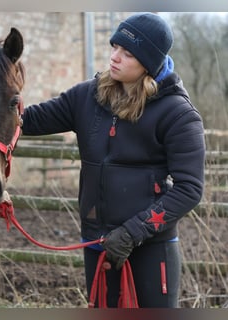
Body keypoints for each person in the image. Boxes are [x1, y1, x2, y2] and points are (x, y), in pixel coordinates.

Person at [20, 12, 205, 308]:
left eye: (128, 52)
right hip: (98, 242)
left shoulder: (179, 115)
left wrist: (133, 233)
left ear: (149, 63)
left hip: (150, 247)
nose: (115, 57)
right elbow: (26, 121)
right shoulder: (87, 97)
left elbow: (190, 189)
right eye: (114, 47)